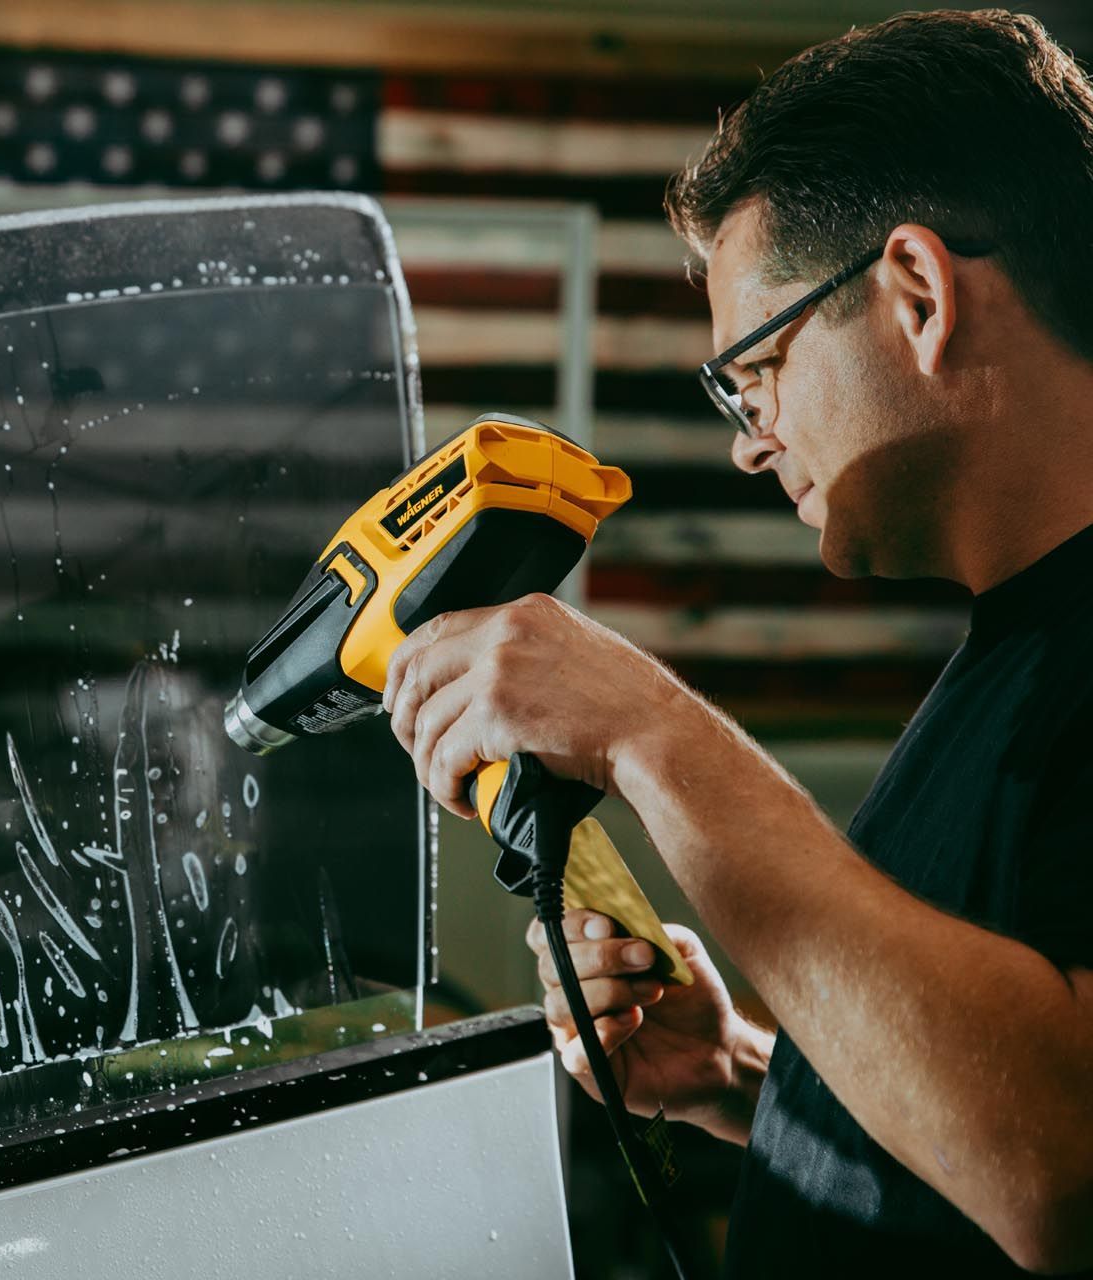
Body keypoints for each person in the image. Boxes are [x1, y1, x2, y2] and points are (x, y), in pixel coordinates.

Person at [382, 9, 1093, 1276]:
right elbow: (969, 1154)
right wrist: (751, 1072)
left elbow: (1066, 1170)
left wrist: (646, 725)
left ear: (918, 294)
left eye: (752, 372)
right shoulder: (1018, 650)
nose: (745, 439)